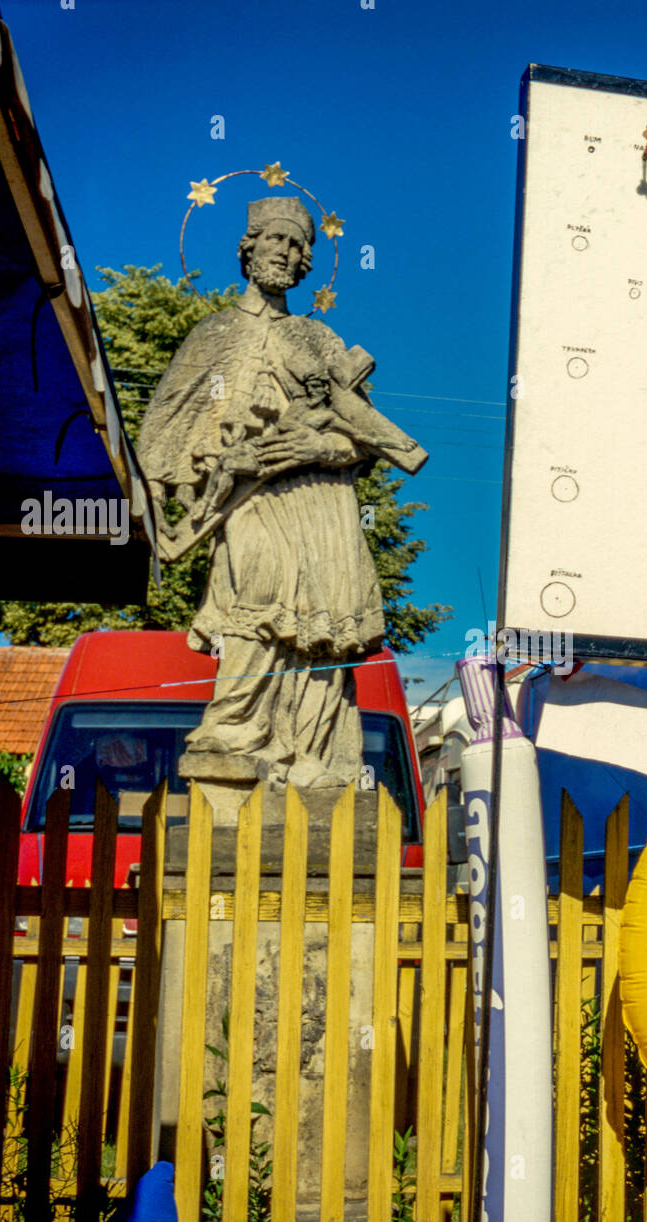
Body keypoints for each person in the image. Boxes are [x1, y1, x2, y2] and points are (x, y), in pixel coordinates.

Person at [137, 197, 423, 790]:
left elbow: (364, 440)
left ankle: (309, 759)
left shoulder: (318, 340)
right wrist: (162, 508)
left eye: (297, 246)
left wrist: (315, 449)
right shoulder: (214, 334)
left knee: (318, 631)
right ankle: (232, 732)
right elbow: (165, 430)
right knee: (257, 591)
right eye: (274, 240)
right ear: (248, 248)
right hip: (247, 497)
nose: (286, 253)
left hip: (322, 502)